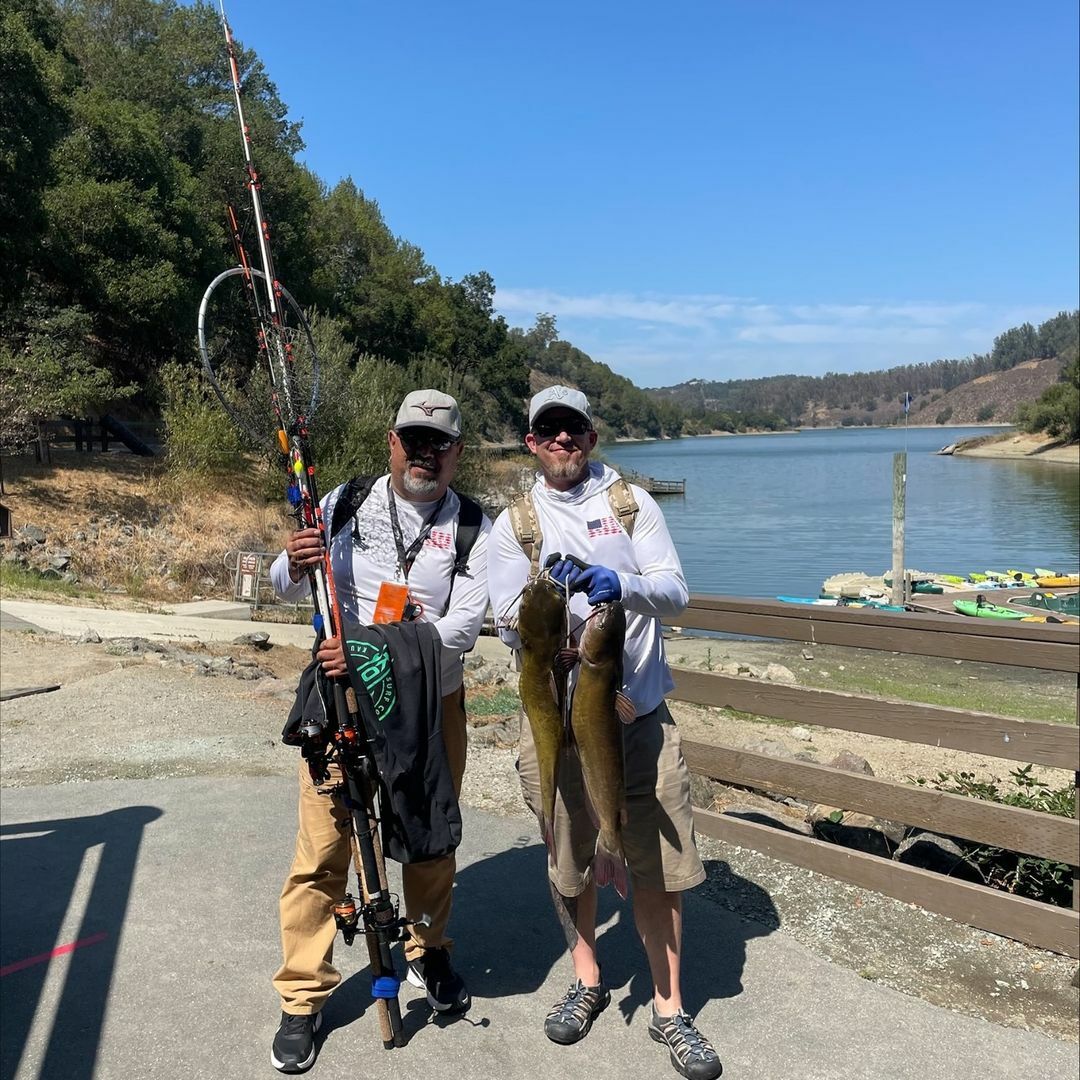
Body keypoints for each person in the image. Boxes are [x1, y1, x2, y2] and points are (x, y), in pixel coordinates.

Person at [487, 386, 722, 1080]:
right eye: (547, 431)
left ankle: (670, 1010)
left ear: (590, 438)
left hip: (639, 719)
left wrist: (618, 583)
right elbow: (505, 620)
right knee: (569, 861)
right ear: (531, 442)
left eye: (573, 430)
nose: (561, 441)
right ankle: (586, 976)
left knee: (660, 871)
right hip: (557, 729)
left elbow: (675, 590)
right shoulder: (514, 526)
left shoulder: (632, 504)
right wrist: (552, 615)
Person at [267, 389, 491, 1073]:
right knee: (324, 848)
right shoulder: (343, 502)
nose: (425, 454)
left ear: (456, 453)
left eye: (439, 444)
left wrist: (371, 643)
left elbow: (463, 629)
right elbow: (283, 585)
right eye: (413, 440)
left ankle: (427, 951)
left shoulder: (479, 527)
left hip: (430, 708)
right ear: (391, 442)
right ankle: (303, 997)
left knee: (428, 836)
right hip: (342, 704)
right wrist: (294, 561)